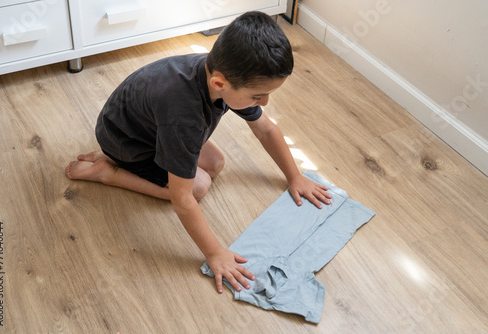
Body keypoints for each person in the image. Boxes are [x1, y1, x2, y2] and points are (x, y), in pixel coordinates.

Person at [65, 11, 332, 294]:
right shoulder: (184, 116)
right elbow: (182, 200)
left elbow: (265, 130)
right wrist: (215, 253)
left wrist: (295, 177)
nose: (263, 102)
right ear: (219, 83)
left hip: (142, 125)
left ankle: (114, 158)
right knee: (199, 187)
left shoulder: (220, 73)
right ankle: (110, 171)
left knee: (215, 163)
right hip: (129, 144)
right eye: (257, 96)